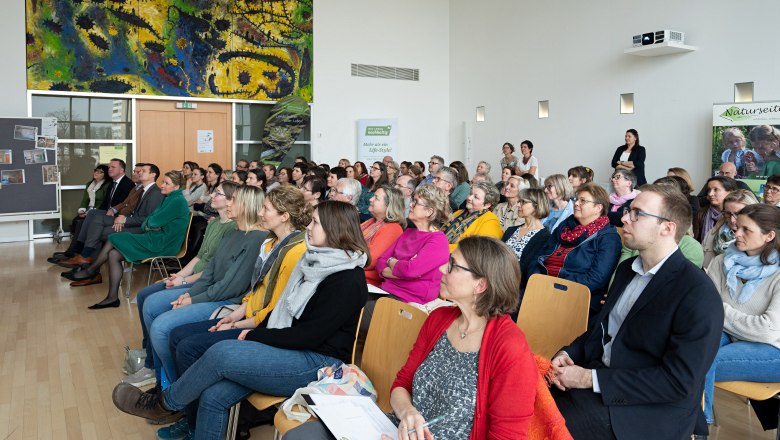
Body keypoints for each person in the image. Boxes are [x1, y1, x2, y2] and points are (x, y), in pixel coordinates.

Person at [112, 201, 369, 440]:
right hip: (291, 347)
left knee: (221, 351)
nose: (308, 227)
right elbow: (283, 310)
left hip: (318, 361)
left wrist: (256, 335)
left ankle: (164, 404)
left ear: (334, 230)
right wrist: (251, 328)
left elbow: (309, 336)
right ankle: (173, 407)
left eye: (314, 223)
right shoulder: (313, 262)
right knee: (213, 396)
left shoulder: (347, 279)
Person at [286, 237, 540, 440]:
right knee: (302, 435)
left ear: (480, 285)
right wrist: (408, 412)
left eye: (452, 265)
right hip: (398, 429)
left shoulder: (510, 347)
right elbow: (402, 383)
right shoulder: (440, 318)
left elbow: (507, 435)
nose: (442, 268)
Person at [549, 184, 724, 440]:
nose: (624, 218)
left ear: (667, 227)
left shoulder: (697, 292)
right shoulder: (628, 268)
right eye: (629, 211)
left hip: (645, 409)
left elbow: (677, 383)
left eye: (637, 214)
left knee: (544, 428)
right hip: (602, 380)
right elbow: (602, 327)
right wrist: (568, 352)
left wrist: (589, 378)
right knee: (517, 401)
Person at [124, 181, 239, 388]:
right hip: (195, 276)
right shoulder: (213, 223)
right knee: (144, 296)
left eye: (218, 194)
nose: (212, 196)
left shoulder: (232, 229)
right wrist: (178, 276)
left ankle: (154, 367)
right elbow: (198, 258)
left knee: (153, 305)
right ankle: (150, 354)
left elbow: (213, 268)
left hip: (204, 282)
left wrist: (185, 281)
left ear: (231, 201)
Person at [703, 204, 780, 425]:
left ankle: (698, 428)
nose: (736, 233)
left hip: (774, 348)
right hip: (733, 336)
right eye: (737, 227)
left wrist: (721, 310)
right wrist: (718, 312)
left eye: (746, 230)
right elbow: (706, 310)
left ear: (769, 236)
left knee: (705, 360)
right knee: (693, 347)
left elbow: (768, 331)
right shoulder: (722, 261)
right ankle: (692, 424)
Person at [69, 171, 190, 309]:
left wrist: (149, 224)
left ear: (177, 187)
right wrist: (148, 224)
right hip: (156, 238)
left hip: (163, 244)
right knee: (113, 253)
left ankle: (92, 271)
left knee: (113, 237)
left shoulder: (177, 201)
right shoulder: (169, 198)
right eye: (163, 181)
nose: (162, 185)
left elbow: (152, 222)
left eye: (166, 183)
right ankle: (112, 297)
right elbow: (150, 221)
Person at [528, 183, 622, 317]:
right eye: (576, 199)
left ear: (598, 208)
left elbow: (596, 279)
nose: (576, 203)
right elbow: (539, 257)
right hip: (541, 287)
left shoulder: (608, 238)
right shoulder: (565, 226)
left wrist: (554, 284)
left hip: (575, 299)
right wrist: (534, 279)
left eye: (583, 201)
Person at [375, 185, 450, 305]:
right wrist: (403, 271)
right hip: (385, 292)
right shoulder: (408, 233)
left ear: (429, 212)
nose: (410, 205)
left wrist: (391, 262)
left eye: (416, 202)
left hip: (409, 303)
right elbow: (380, 263)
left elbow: (410, 271)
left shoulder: (438, 241)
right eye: (412, 201)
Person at [49, 165, 110, 264]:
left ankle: (74, 252)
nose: (96, 173)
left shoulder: (107, 185)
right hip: (89, 210)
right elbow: (85, 200)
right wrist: (82, 210)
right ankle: (74, 252)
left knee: (80, 223)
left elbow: (104, 203)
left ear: (105, 174)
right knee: (77, 220)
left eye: (100, 172)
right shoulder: (90, 184)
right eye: (96, 171)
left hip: (98, 211)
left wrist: (89, 212)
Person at [502, 188, 551, 292]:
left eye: (523, 202)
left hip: (516, 288)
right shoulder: (511, 230)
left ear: (537, 205)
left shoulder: (544, 237)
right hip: (497, 280)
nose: (518, 205)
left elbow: (527, 268)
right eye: (519, 201)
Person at [701, 189, 759, 269]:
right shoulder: (712, 233)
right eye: (728, 214)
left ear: (754, 213)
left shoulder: (759, 240)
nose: (732, 220)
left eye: (738, 214)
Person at [361, 185, 405, 287]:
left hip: (365, 280)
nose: (370, 199)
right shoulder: (371, 222)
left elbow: (370, 261)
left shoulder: (392, 228)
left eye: (376, 198)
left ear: (389, 206)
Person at [442, 181, 502, 252]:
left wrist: (441, 247)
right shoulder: (459, 212)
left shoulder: (491, 220)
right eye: (470, 193)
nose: (469, 198)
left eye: (476, 197)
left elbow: (480, 250)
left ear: (487, 205)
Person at [694, 176, 739, 242]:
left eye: (716, 189)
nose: (710, 194)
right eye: (709, 190)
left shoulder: (740, 213)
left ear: (730, 192)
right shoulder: (701, 213)